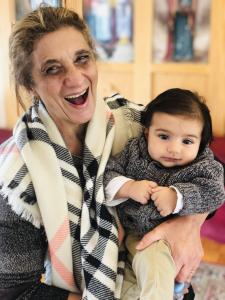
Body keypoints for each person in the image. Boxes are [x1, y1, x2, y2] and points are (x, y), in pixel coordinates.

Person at [0, 6, 211, 300]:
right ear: (30, 85)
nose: (75, 79)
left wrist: (188, 225)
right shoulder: (14, 178)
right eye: (52, 68)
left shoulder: (135, 123)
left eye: (81, 59)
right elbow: (16, 292)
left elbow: (210, 170)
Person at [104, 88, 225, 299]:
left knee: (155, 271)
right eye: (164, 136)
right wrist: (128, 187)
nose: (174, 149)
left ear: (201, 143)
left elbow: (215, 191)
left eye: (187, 141)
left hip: (165, 241)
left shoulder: (202, 165)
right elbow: (107, 175)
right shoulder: (134, 151)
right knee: (126, 285)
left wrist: (177, 197)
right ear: (146, 133)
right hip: (129, 235)